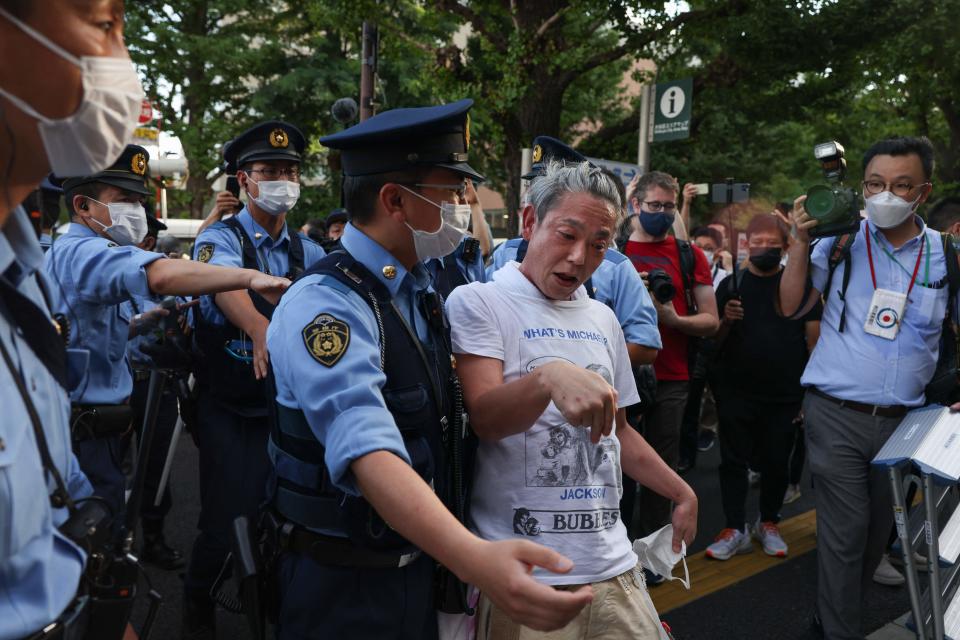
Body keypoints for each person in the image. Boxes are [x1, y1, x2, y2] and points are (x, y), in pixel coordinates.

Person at [266, 99, 594, 639]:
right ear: (395, 200)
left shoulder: (419, 292)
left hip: (416, 568)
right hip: (343, 585)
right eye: (448, 193)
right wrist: (474, 557)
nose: (462, 206)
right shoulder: (327, 306)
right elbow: (367, 448)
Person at [447, 160, 697, 639]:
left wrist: (680, 491)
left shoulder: (603, 318)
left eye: (599, 244)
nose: (580, 257)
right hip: (528, 572)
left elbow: (619, 432)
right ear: (528, 222)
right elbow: (486, 419)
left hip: (614, 565)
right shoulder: (480, 302)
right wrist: (547, 379)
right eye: (566, 234)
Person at [45, 144, 291, 522]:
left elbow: (86, 334)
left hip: (95, 431)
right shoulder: (84, 251)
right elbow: (158, 273)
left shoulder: (81, 252)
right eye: (124, 199)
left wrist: (143, 323)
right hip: (85, 437)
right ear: (83, 206)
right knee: (91, 547)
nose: (137, 211)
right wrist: (250, 276)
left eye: (138, 200)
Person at [779, 136, 959, 639]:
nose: (886, 195)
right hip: (834, 413)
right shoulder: (838, 241)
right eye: (876, 184)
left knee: (876, 534)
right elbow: (791, 306)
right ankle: (839, 632)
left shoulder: (946, 254)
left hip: (905, 423)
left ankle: (831, 616)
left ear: (921, 192)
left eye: (900, 185)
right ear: (862, 185)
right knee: (847, 530)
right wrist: (798, 240)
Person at [185, 120, 325, 637]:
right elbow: (219, 285)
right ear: (244, 180)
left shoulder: (307, 251)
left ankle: (270, 607)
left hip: (282, 407)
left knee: (284, 514)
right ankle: (198, 600)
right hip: (229, 405)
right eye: (270, 171)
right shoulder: (220, 238)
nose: (282, 180)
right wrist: (259, 328)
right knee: (227, 518)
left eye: (289, 171)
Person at [704, 214, 821, 561]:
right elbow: (714, 341)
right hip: (736, 391)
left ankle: (769, 522)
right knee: (733, 461)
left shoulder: (800, 286)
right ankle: (734, 527)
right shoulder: (731, 284)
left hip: (784, 394)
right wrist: (727, 320)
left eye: (773, 244)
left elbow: (815, 344)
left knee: (775, 462)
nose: (764, 249)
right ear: (746, 246)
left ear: (787, 247)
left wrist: (808, 394)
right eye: (757, 243)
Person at [620, 171, 719, 544]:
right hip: (621, 373)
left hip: (672, 375)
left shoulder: (688, 255)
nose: (660, 213)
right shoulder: (614, 251)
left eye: (668, 206)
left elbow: (711, 320)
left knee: (661, 468)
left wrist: (673, 318)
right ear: (635, 205)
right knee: (616, 467)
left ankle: (651, 552)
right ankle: (615, 549)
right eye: (653, 205)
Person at [118, 214, 189, 570]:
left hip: (156, 383)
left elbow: (191, 305)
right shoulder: (105, 272)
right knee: (113, 463)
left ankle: (153, 537)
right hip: (117, 386)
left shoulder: (165, 281)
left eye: (148, 240)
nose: (146, 245)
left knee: (156, 463)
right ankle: (110, 539)